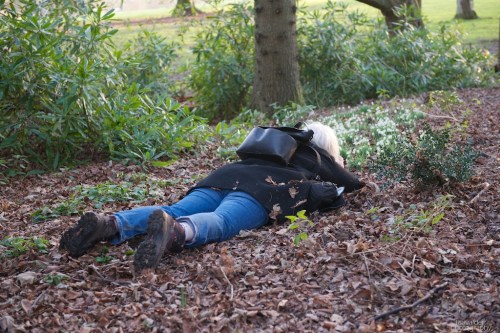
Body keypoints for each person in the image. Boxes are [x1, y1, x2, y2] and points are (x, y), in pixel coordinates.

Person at [59, 122, 362, 272]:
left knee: (173, 207)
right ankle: (177, 232)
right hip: (262, 191)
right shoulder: (319, 157)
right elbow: (350, 185)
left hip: (223, 177)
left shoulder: (281, 144)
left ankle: (109, 223)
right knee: (223, 221)